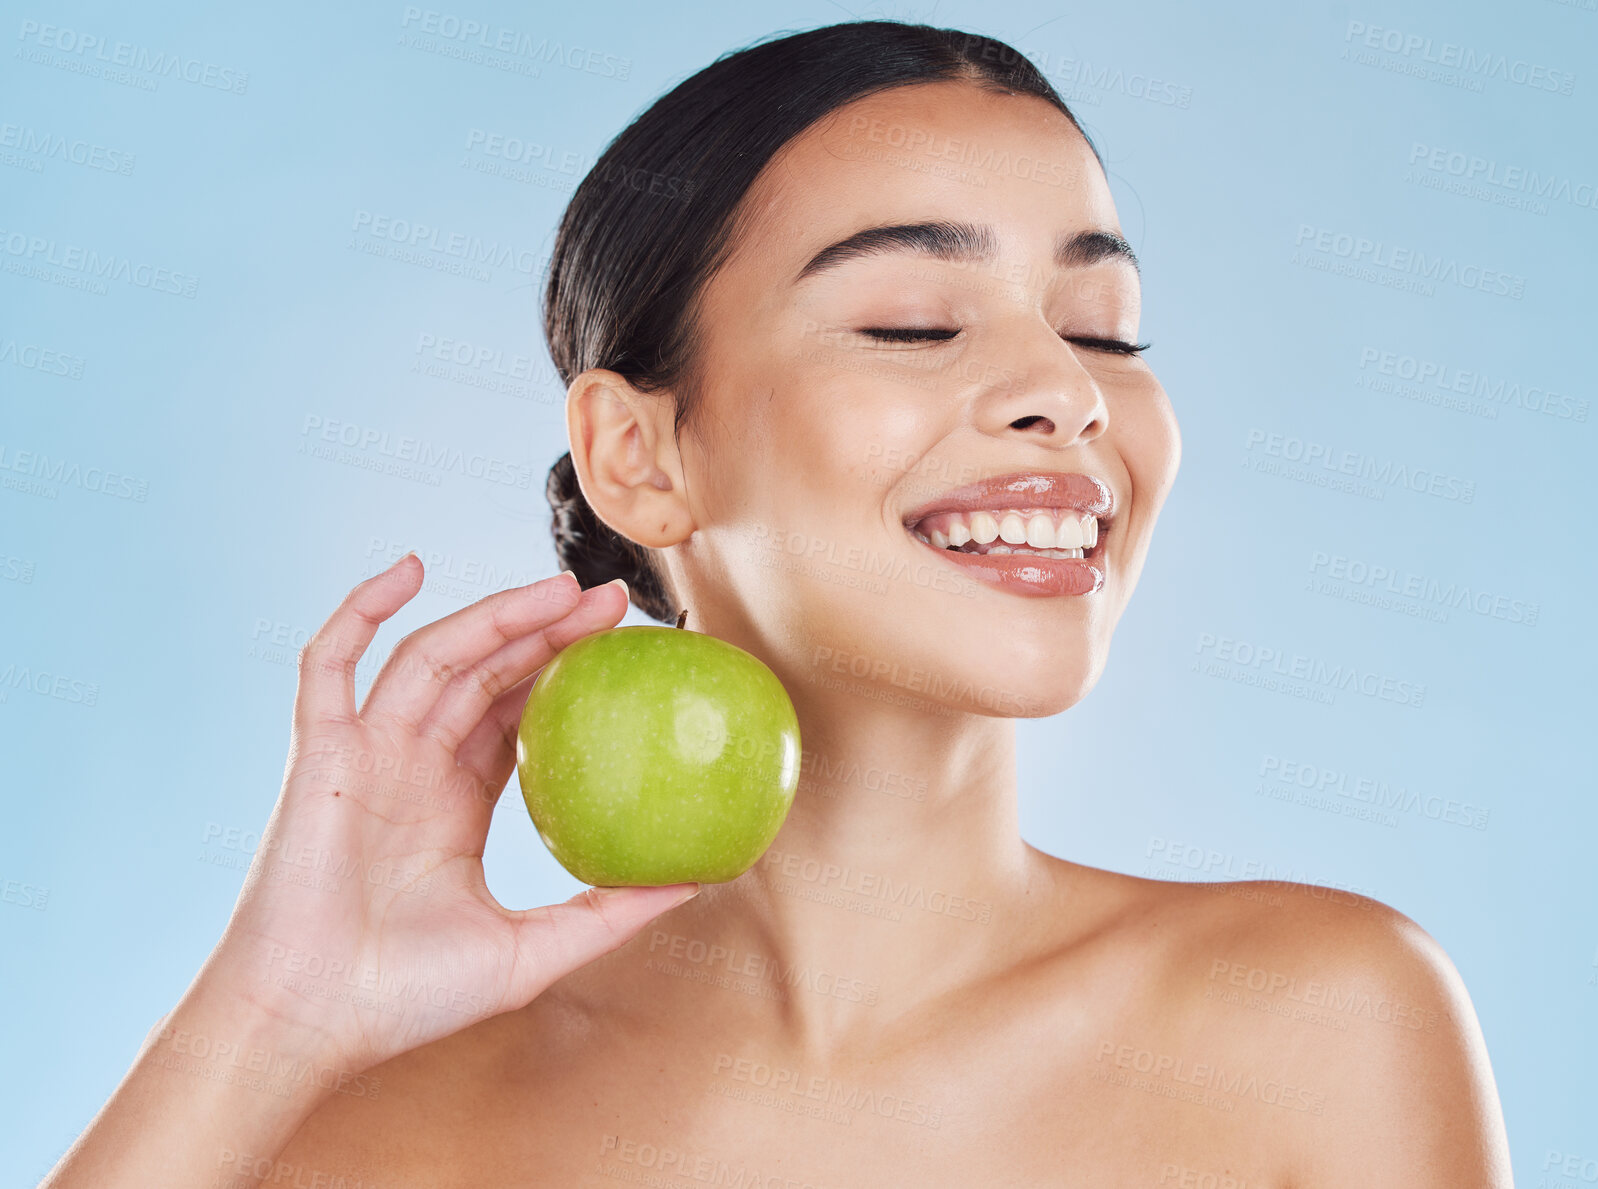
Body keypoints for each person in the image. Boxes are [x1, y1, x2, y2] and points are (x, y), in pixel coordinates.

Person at [43, 21, 1513, 1187]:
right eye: (912, 323)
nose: (1067, 395)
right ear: (639, 452)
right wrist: (272, 1015)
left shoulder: (1321, 1021)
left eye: (1101, 329)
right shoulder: (373, 1121)